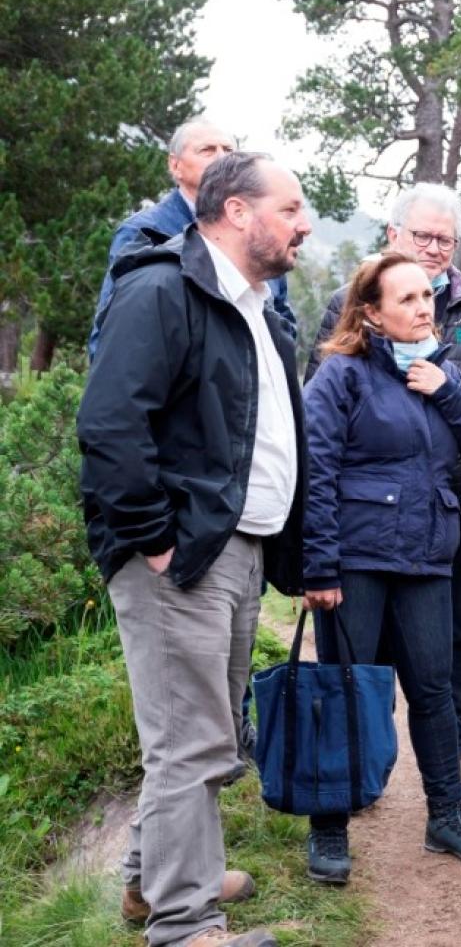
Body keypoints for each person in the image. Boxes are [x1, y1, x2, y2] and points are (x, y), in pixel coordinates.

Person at [78, 151, 311, 947]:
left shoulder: (257, 306)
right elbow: (111, 423)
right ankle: (185, 926)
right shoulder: (162, 288)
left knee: (207, 730)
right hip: (181, 556)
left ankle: (155, 883)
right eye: (290, 208)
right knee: (190, 738)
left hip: (235, 550)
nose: (303, 224)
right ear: (236, 212)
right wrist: (153, 541)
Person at [305, 183, 461, 803]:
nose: (434, 249)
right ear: (392, 237)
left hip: (455, 504)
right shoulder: (347, 314)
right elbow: (321, 422)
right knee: (362, 648)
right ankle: (365, 766)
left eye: (445, 239)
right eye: (421, 236)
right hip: (369, 519)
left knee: (456, 631)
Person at [89, 118, 294, 360]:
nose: (221, 158)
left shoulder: (256, 233)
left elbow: (282, 323)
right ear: (175, 166)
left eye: (228, 150)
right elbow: (112, 333)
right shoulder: (145, 233)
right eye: (207, 150)